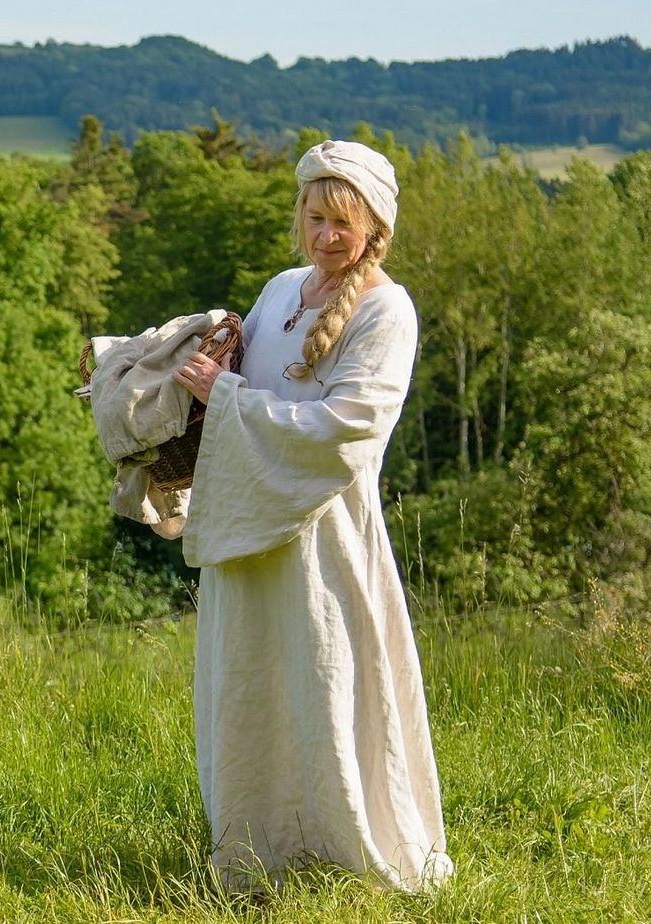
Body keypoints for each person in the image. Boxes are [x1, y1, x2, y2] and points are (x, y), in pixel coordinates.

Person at [169, 139, 453, 893]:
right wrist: (207, 366)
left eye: (344, 223)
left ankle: (347, 853)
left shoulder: (386, 309)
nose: (327, 235)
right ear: (299, 213)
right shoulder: (280, 289)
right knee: (253, 685)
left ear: (375, 229)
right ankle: (257, 853)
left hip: (323, 538)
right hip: (247, 526)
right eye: (316, 216)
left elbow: (349, 429)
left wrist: (223, 399)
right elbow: (247, 385)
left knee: (325, 681)